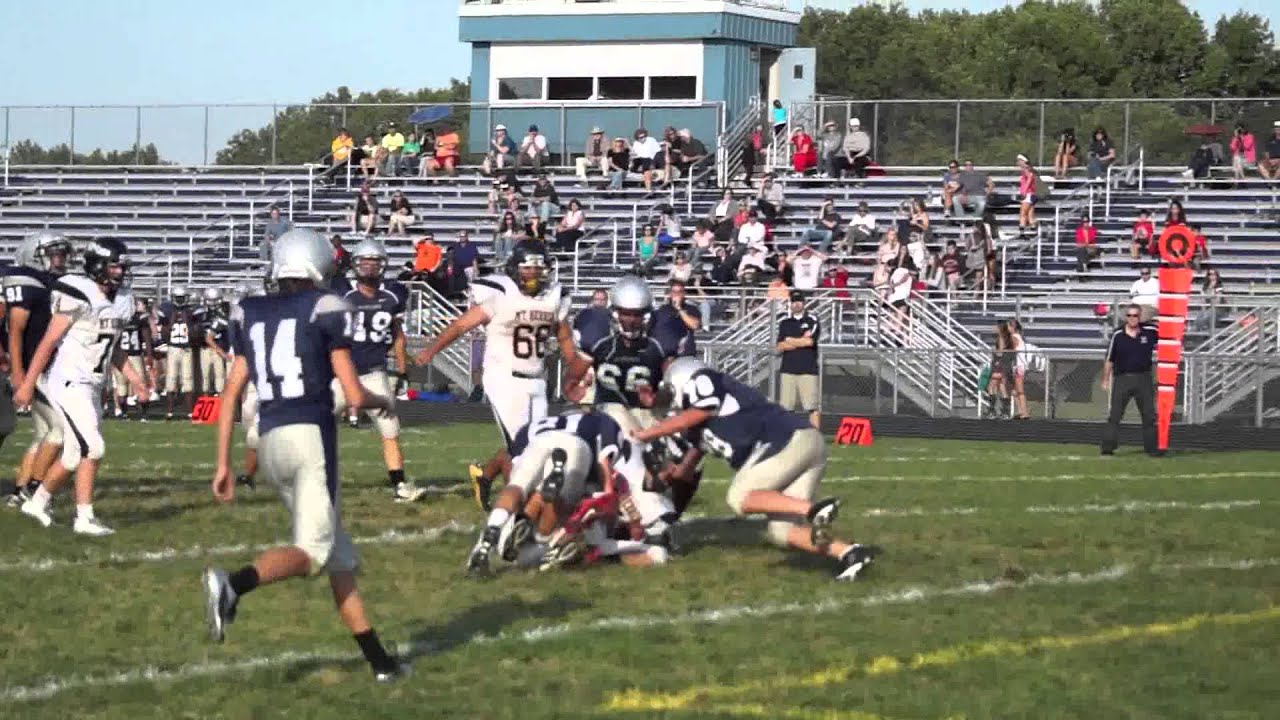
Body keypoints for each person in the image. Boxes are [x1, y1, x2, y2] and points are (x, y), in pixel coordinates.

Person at [203, 228, 405, 682]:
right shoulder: (326, 308)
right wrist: (383, 402)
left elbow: (231, 393)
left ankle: (382, 664)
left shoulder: (251, 312)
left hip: (271, 439)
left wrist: (222, 464)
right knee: (313, 554)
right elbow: (353, 393)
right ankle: (232, 586)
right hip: (310, 438)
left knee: (339, 558)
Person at [635, 358, 880, 581]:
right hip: (801, 446)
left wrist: (649, 433)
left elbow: (698, 411)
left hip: (788, 440)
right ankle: (850, 553)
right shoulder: (697, 428)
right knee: (782, 531)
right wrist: (659, 471)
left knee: (739, 496)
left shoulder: (706, 381)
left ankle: (813, 510)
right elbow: (684, 470)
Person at [414, 245, 578, 513]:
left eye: (537, 267)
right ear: (516, 270)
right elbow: (460, 325)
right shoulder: (501, 294)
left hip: (537, 378)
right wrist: (431, 350)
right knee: (525, 450)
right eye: (527, 267)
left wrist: (575, 370)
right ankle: (519, 510)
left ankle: (486, 475)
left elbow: (564, 337)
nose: (533, 273)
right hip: (504, 379)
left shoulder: (553, 299)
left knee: (539, 442)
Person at [15, 238, 146, 536]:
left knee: (74, 455)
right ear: (98, 265)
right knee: (94, 447)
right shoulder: (78, 292)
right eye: (115, 265)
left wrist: (136, 380)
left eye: (123, 266)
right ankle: (84, 518)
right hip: (69, 382)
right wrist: (26, 384)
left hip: (92, 385)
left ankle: (36, 503)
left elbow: (112, 348)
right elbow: (48, 342)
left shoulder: (120, 300)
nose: (120, 272)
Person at [464, 409, 655, 575]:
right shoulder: (601, 421)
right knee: (557, 515)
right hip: (576, 448)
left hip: (539, 441)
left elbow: (509, 467)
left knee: (517, 487)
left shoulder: (533, 425)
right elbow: (605, 468)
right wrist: (606, 497)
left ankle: (486, 539)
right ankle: (545, 534)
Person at [331, 239, 426, 503]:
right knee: (318, 426)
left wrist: (403, 369)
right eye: (365, 263)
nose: (370, 268)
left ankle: (399, 485)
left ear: (383, 266)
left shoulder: (393, 295)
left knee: (390, 428)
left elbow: (397, 335)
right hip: (340, 372)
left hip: (374, 373)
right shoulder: (341, 290)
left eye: (375, 263)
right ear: (355, 265)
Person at [5, 232, 71, 507]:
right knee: (60, 432)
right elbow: (15, 331)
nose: (61, 260)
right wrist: (20, 375)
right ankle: (33, 490)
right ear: (35, 255)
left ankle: (19, 490)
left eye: (62, 254)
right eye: (54, 254)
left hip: (48, 368)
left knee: (44, 433)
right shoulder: (27, 282)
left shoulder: (49, 284)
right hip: (37, 369)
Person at [1100, 304, 1159, 457]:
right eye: (1130, 316)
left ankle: (1152, 448)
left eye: (1135, 316)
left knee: (1148, 415)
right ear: (1126, 317)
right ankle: (1108, 447)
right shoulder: (1118, 335)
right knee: (1115, 415)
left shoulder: (1150, 331)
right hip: (1122, 379)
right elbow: (1109, 359)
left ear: (1140, 317)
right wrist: (1105, 379)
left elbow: (1167, 338)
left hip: (1143, 378)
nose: (1132, 318)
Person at [776, 291, 821, 428]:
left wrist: (790, 339)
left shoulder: (812, 320)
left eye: (799, 301)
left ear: (804, 303)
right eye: (793, 301)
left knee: (811, 406)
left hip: (807, 369)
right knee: (786, 407)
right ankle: (788, 435)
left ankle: (815, 435)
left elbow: (809, 342)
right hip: (788, 369)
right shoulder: (785, 322)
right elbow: (781, 346)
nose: (796, 304)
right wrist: (799, 340)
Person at [160, 286, 201, 420]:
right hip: (173, 348)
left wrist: (190, 326)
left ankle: (190, 412)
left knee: (188, 380)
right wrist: (171, 321)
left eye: (181, 298)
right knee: (171, 380)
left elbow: (195, 332)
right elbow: (164, 332)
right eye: (178, 298)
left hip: (186, 348)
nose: (179, 300)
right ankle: (169, 412)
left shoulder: (190, 312)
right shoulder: (167, 310)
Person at [648, 280, 701, 358]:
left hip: (684, 354)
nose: (677, 294)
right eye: (674, 292)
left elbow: (694, 325)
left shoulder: (691, 309)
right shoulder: (661, 310)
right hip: (664, 354)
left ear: (684, 294)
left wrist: (679, 309)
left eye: (680, 292)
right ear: (670, 294)